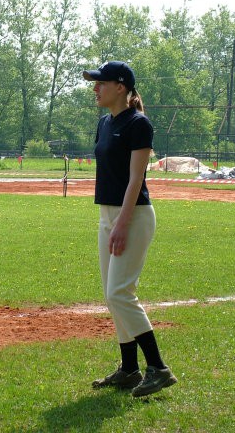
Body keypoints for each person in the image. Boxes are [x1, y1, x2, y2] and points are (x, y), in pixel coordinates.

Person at [83, 61, 177, 398]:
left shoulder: (139, 124)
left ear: (120, 87)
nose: (95, 89)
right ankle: (128, 369)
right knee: (112, 295)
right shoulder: (105, 124)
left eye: (101, 83)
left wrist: (121, 224)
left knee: (119, 293)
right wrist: (111, 222)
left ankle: (158, 367)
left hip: (133, 216)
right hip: (107, 214)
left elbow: (136, 179)